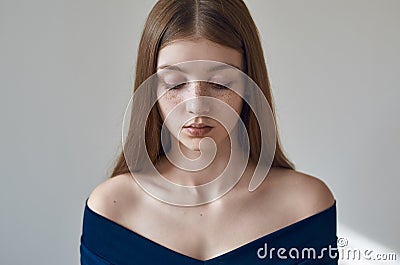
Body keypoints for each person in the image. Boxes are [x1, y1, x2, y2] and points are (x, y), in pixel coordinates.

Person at [80, 0, 338, 264]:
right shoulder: (112, 210)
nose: (197, 105)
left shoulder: (305, 207)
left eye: (219, 83)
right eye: (176, 83)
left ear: (249, 85)